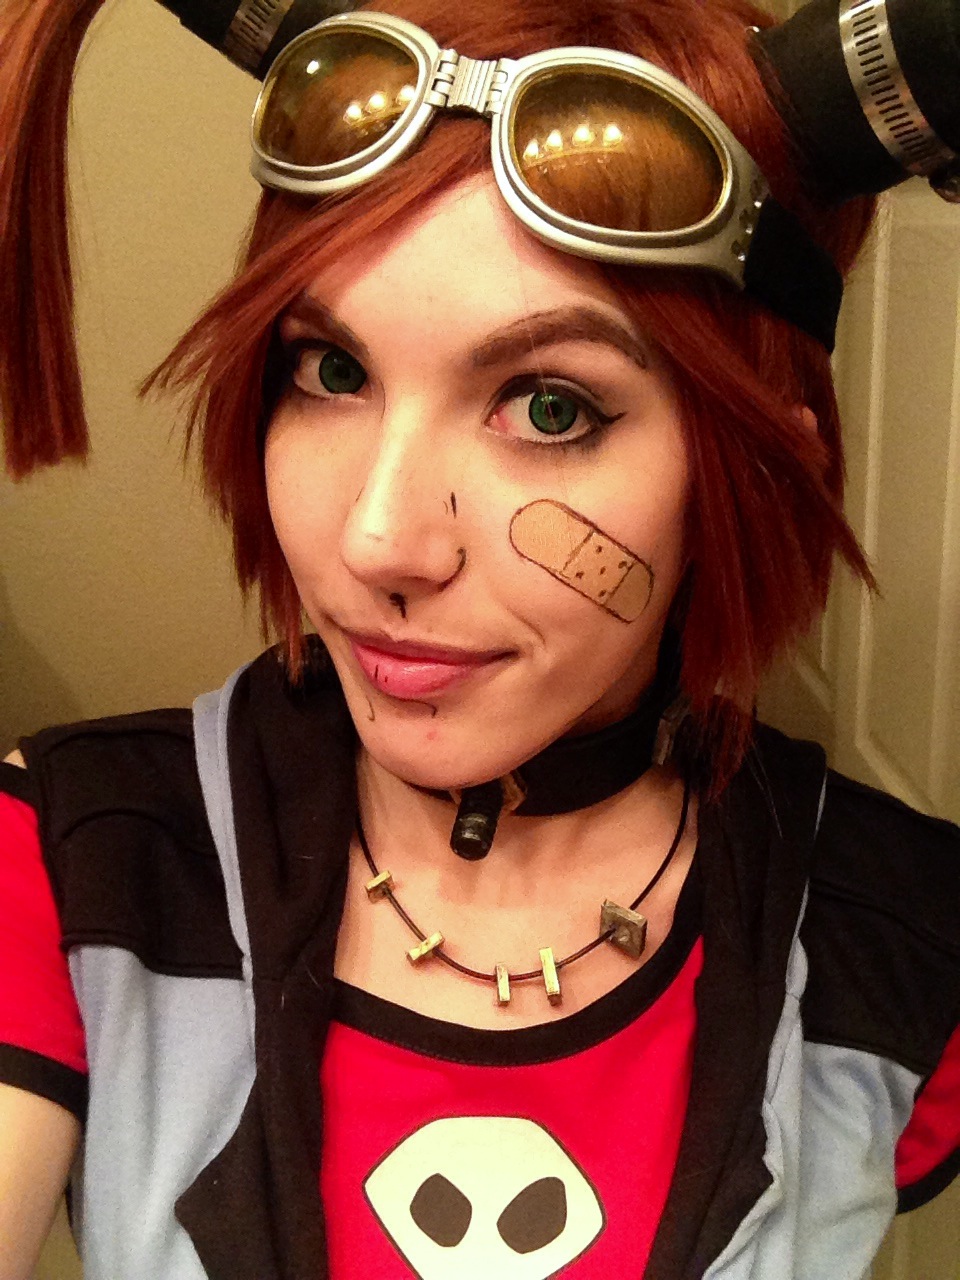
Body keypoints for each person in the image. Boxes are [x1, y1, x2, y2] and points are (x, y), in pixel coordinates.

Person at [0, 0, 958, 1277]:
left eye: (549, 406)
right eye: (331, 372)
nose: (381, 539)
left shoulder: (903, 938)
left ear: (755, 466)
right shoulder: (68, 864)